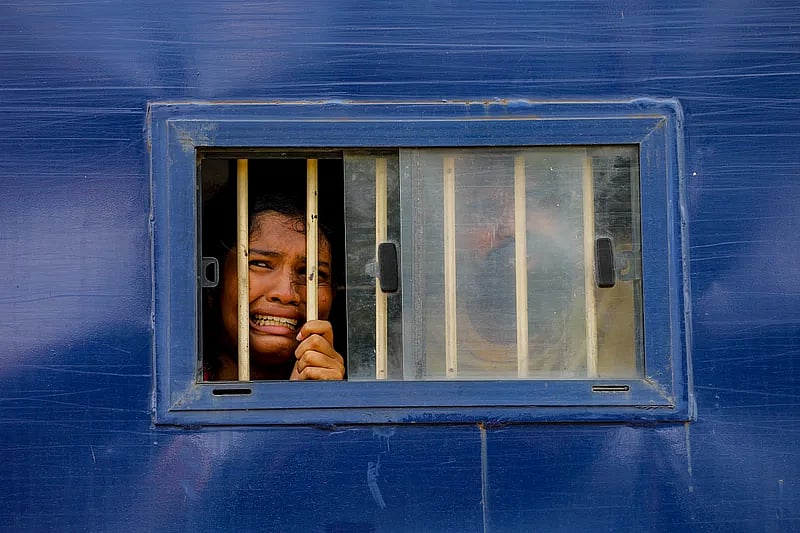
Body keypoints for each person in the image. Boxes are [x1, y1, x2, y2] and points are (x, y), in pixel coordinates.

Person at [202, 178, 345, 381]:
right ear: (212, 283)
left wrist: (318, 401)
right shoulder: (169, 385)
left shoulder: (355, 398)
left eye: (310, 273)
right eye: (260, 264)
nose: (286, 294)